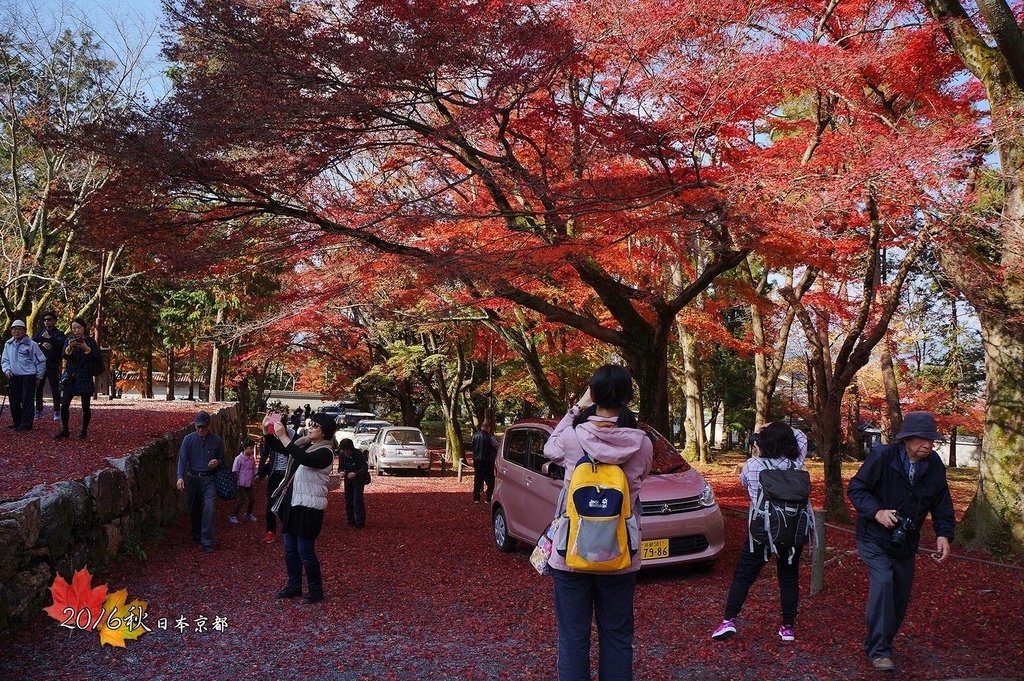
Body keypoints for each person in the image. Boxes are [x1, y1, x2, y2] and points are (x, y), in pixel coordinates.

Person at [543, 365, 653, 681]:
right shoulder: (641, 443)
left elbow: (549, 448)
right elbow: (642, 476)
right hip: (621, 552)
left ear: (594, 394)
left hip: (570, 551)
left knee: (574, 636)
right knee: (617, 634)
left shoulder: (573, 438)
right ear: (628, 396)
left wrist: (577, 406)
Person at [847, 411, 955, 673]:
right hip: (873, 536)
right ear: (906, 439)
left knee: (899, 596)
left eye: (931, 439)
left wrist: (944, 534)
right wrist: (877, 511)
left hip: (905, 542)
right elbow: (856, 489)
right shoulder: (883, 456)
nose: (927, 444)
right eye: (921, 439)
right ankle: (880, 651)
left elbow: (942, 503)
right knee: (883, 582)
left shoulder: (935, 465)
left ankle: (881, 641)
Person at [711, 422, 807, 643]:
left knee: (744, 575)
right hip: (791, 531)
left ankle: (729, 620)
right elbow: (801, 437)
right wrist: (778, 426)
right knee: (789, 578)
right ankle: (788, 627)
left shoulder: (753, 465)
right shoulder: (795, 464)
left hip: (761, 533)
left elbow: (743, 483)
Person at [271, 412, 335, 604]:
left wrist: (284, 437)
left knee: (305, 551)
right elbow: (283, 449)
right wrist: (269, 432)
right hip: (293, 501)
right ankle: (294, 585)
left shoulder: (325, 452)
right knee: (290, 549)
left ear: (324, 431)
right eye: (310, 423)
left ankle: (316, 590)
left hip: (310, 506)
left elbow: (305, 459)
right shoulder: (304, 444)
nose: (310, 427)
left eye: (315, 425)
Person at [175, 411, 225, 553]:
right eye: (198, 427)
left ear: (208, 426)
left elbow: (223, 460)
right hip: (192, 478)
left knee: (210, 507)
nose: (200, 429)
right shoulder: (188, 440)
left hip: (209, 478)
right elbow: (182, 459)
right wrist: (180, 476)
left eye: (203, 427)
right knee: (194, 508)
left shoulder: (217, 441)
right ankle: (196, 533)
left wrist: (218, 462)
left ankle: (207, 541)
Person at [54, 318, 100, 440]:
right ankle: (65, 429)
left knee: (85, 406)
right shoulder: (69, 339)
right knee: (64, 404)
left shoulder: (90, 341)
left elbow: (96, 358)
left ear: (84, 328)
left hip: (85, 375)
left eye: (79, 327)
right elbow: (64, 356)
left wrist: (86, 348)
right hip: (71, 375)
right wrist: (69, 348)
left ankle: (84, 430)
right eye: (74, 328)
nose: (76, 330)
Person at [2, 320, 46, 432]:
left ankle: (26, 424)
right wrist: (7, 369)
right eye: (14, 329)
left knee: (27, 400)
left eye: (19, 329)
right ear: (11, 330)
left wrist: (39, 377)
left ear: (24, 331)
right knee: (14, 400)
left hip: (28, 375)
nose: (16, 331)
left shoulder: (32, 344)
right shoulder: (8, 344)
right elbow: (5, 360)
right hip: (13, 376)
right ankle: (17, 422)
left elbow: (41, 361)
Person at [259, 414, 293, 543]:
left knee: (287, 504)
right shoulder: (271, 439)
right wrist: (260, 473)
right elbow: (266, 456)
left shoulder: (293, 438)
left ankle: (288, 530)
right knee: (270, 504)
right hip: (274, 475)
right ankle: (270, 531)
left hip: (288, 477)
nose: (274, 428)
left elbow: (286, 450)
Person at [32, 311, 65, 420]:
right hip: (40, 364)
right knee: (39, 388)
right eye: (45, 320)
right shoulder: (40, 332)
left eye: (49, 319)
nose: (47, 321)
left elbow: (62, 345)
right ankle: (39, 410)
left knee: (54, 388)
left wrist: (50, 338)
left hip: (52, 364)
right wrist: (42, 343)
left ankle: (56, 411)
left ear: (54, 321)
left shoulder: (59, 334)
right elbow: (32, 343)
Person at [337, 438, 369, 528]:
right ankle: (350, 519)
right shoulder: (342, 455)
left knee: (358, 498)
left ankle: (360, 521)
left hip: (358, 479)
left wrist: (356, 473)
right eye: (344, 450)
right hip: (348, 478)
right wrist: (341, 472)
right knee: (348, 499)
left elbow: (364, 467)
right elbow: (340, 467)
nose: (346, 452)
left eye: (347, 450)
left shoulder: (358, 454)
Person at [230, 438, 258, 524]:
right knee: (241, 500)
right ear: (245, 448)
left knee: (252, 499)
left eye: (252, 447)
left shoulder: (252, 458)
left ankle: (248, 514)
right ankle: (233, 515)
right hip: (241, 483)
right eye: (250, 447)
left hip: (249, 483)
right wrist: (236, 482)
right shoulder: (238, 459)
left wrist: (257, 474)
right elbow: (235, 470)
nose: (251, 449)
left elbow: (254, 468)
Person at [470, 420, 498, 503]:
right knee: (490, 481)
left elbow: (472, 446)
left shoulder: (475, 436)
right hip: (488, 461)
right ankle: (488, 498)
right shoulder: (490, 437)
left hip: (477, 460)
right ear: (488, 428)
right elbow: (496, 446)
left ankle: (476, 498)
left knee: (478, 479)